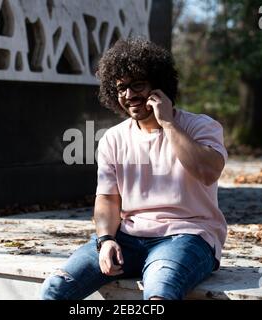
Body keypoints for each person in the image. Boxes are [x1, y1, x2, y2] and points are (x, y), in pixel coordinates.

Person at [41, 38, 228, 300]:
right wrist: (105, 240)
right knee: (56, 288)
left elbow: (207, 171)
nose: (129, 95)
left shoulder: (201, 127)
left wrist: (168, 124)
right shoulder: (113, 138)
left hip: (188, 236)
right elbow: (107, 199)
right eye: (121, 88)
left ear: (159, 87)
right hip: (127, 238)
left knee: (159, 296)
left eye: (138, 85)